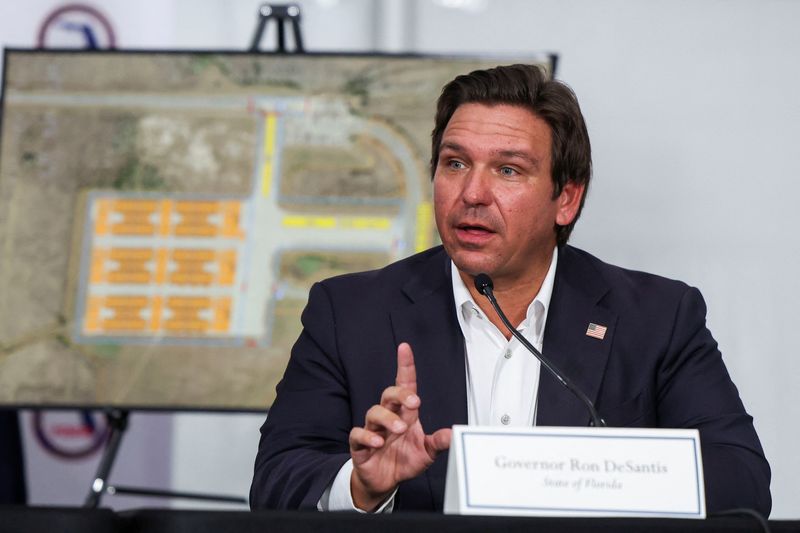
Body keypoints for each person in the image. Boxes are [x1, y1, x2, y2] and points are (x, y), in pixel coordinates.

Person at [250, 64, 771, 516]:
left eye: (507, 170)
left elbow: (740, 479)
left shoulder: (657, 317)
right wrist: (361, 486)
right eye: (455, 163)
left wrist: (599, 478)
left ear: (565, 199)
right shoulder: (349, 312)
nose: (472, 193)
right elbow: (277, 479)